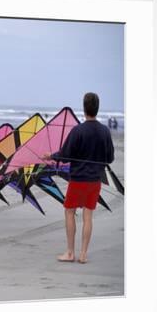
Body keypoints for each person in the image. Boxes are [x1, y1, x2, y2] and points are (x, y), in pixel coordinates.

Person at [43, 93, 114, 264]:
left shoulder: (78, 130)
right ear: (97, 108)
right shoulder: (105, 131)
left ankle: (70, 253)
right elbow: (110, 158)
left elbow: (65, 155)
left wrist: (50, 156)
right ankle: (83, 254)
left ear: (84, 108)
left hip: (78, 180)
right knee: (88, 215)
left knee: (69, 211)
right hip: (94, 180)